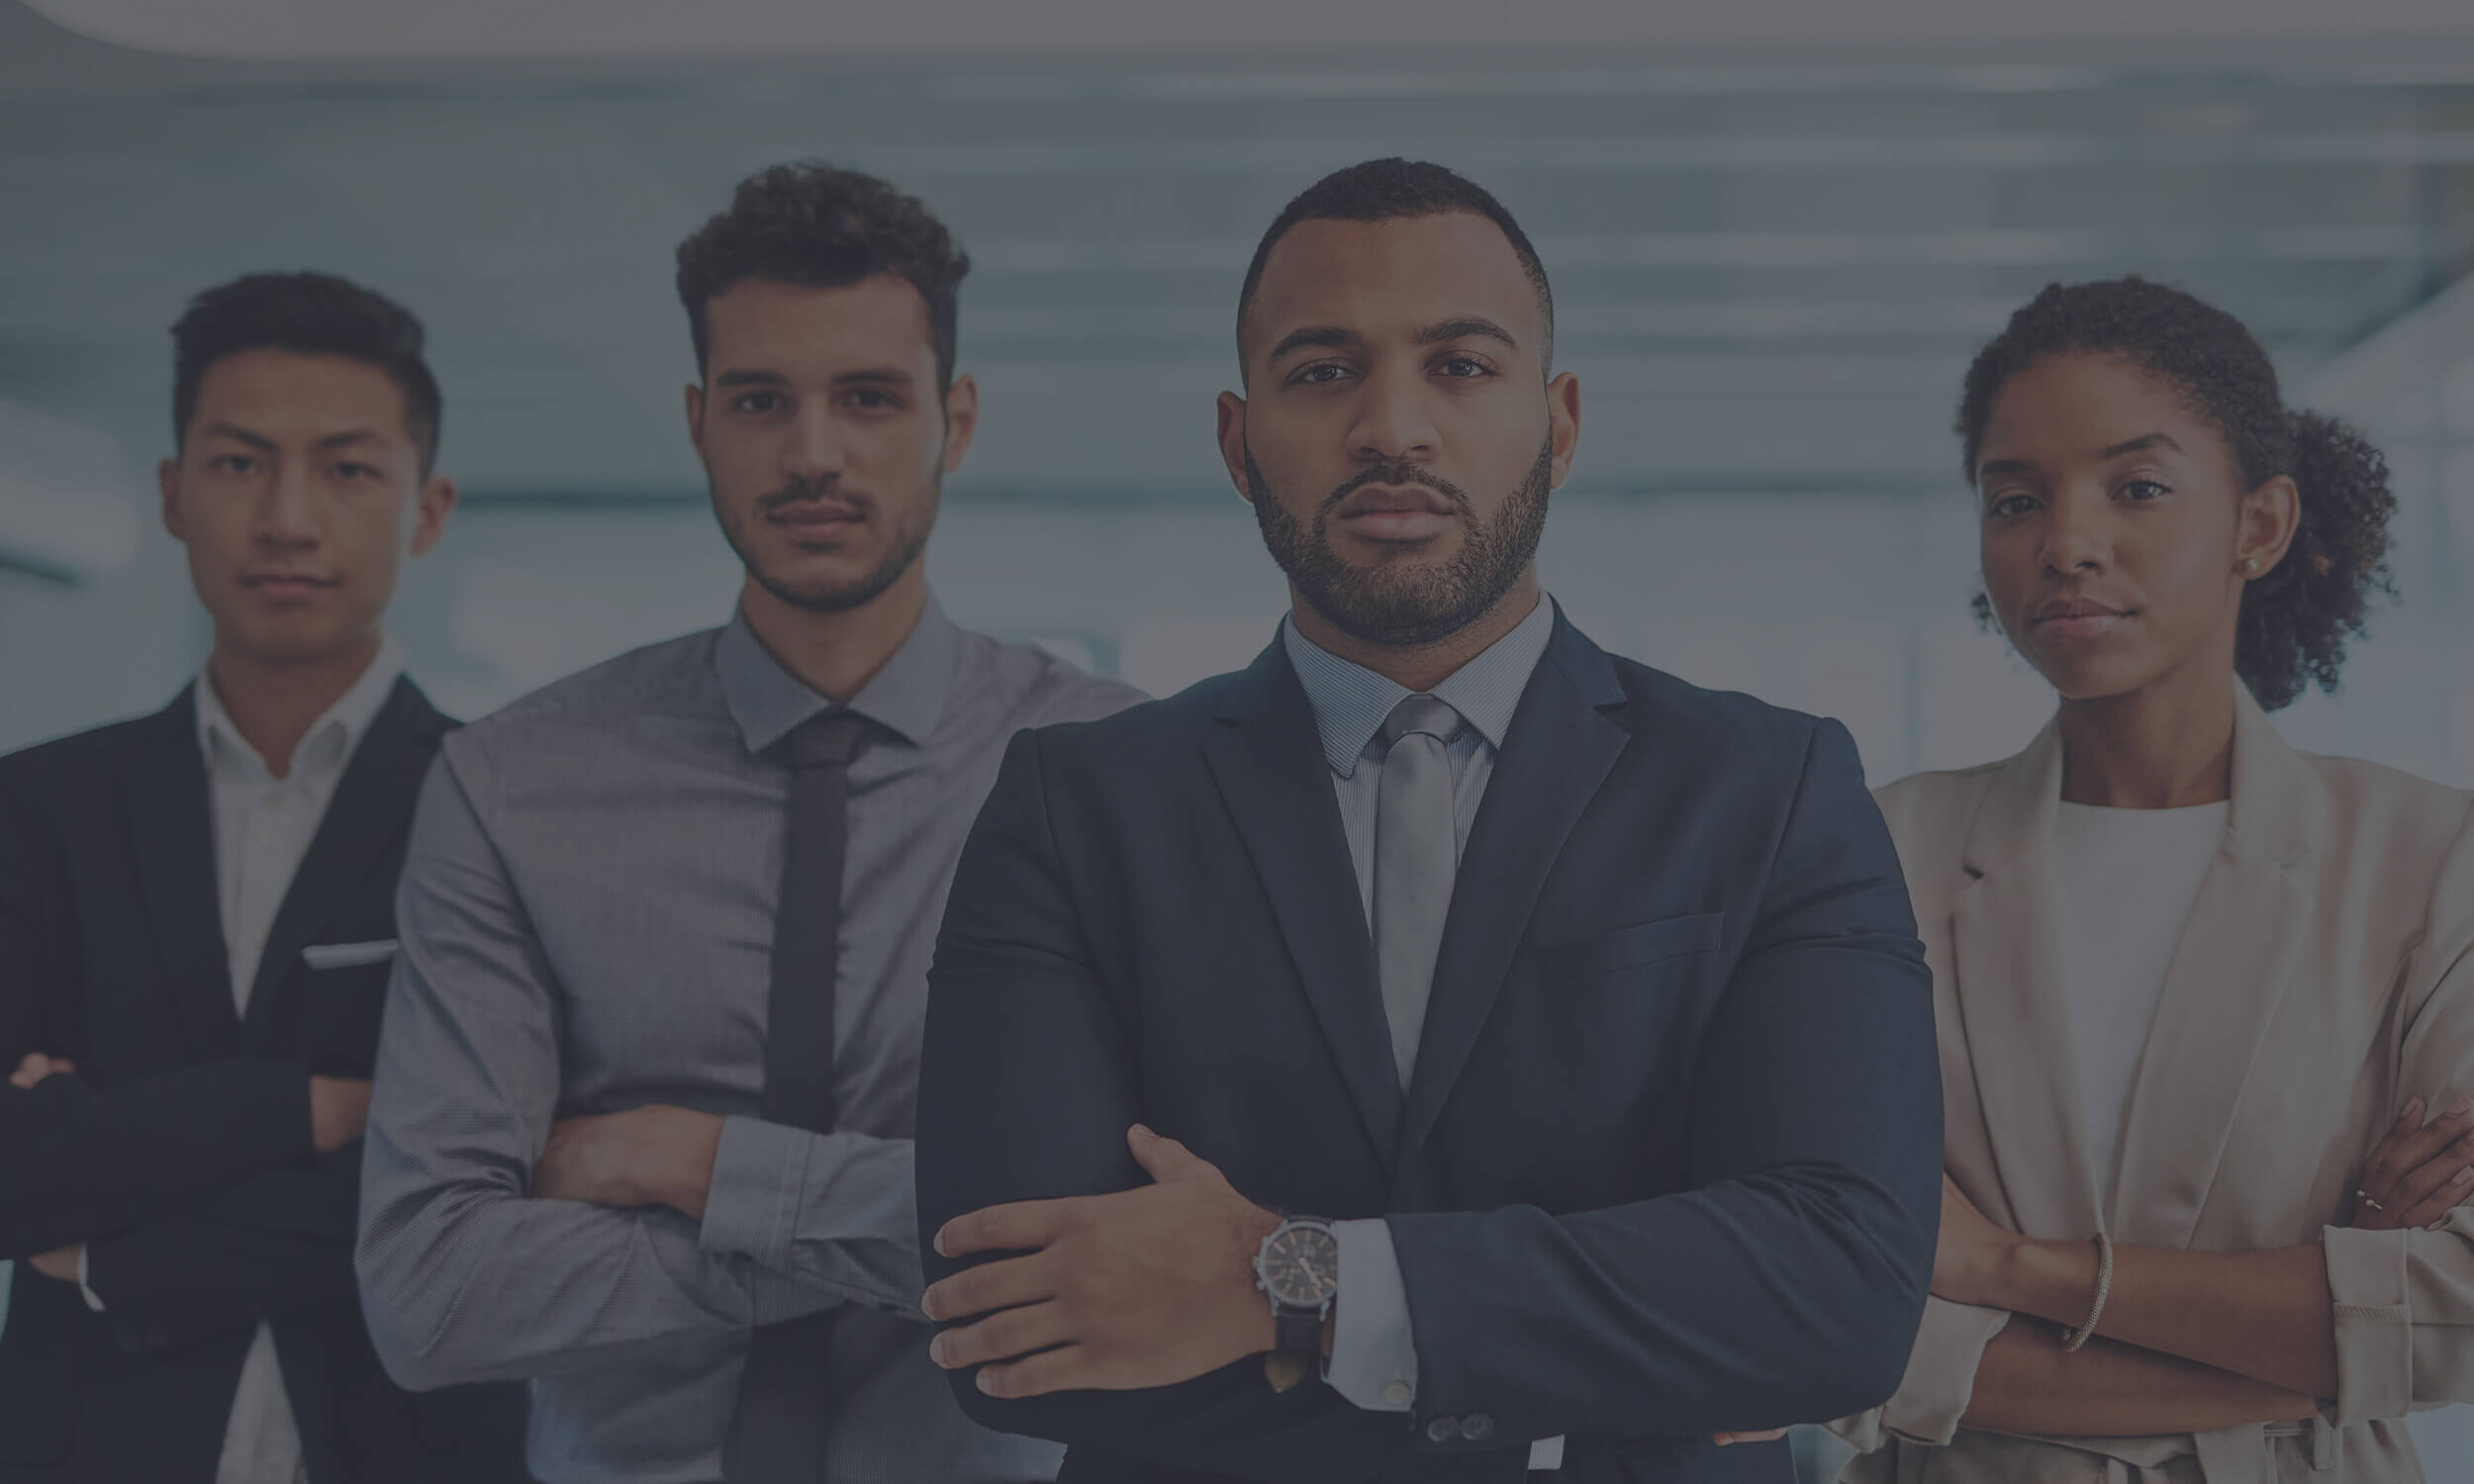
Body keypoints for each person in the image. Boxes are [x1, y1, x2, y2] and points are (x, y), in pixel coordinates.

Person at [912, 156, 1944, 1484]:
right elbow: (1014, 1335)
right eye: (1322, 370)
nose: (1392, 426)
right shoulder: (1076, 809)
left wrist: (1291, 1283)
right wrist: (1616, 1369)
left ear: (1560, 426)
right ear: (1238, 442)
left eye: (1459, 367)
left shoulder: (1768, 787)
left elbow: (1841, 1304)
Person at [352, 161, 1144, 1484]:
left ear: (954, 420)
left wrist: (703, 1165)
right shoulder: (511, 785)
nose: (814, 453)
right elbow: (433, 1292)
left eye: (869, 399)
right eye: (761, 400)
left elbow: (1130, 1241)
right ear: (697, 421)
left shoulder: (1113, 773)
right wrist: (899, 1229)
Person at [1825, 276, 2474, 1482]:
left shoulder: (2431, 861)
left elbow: (2463, 1304)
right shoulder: (1872, 852)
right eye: (2015, 499)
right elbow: (1829, 1309)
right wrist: (2335, 1309)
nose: (2065, 543)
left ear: (2259, 525)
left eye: (2138, 487)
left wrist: (1997, 1268)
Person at [0, 273, 529, 1483]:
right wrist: (332, 1109)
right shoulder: (34, 811)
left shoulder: (510, 813)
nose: (288, 517)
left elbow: (505, 1197)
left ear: (428, 508)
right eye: (239, 465)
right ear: (173, 494)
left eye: (347, 470)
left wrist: (106, 1248)